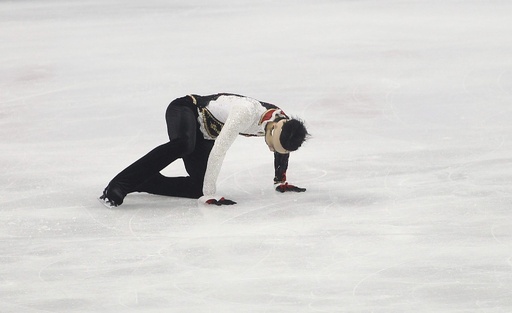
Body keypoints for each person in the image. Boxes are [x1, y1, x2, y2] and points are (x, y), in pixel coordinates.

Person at [99, 93, 309, 207]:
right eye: (271, 143)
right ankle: (119, 185)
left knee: (198, 186)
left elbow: (284, 145)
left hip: (205, 135)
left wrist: (280, 180)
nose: (271, 148)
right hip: (186, 109)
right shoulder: (245, 112)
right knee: (184, 144)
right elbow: (220, 150)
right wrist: (210, 195)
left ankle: (144, 180)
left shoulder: (282, 122)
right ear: (274, 128)